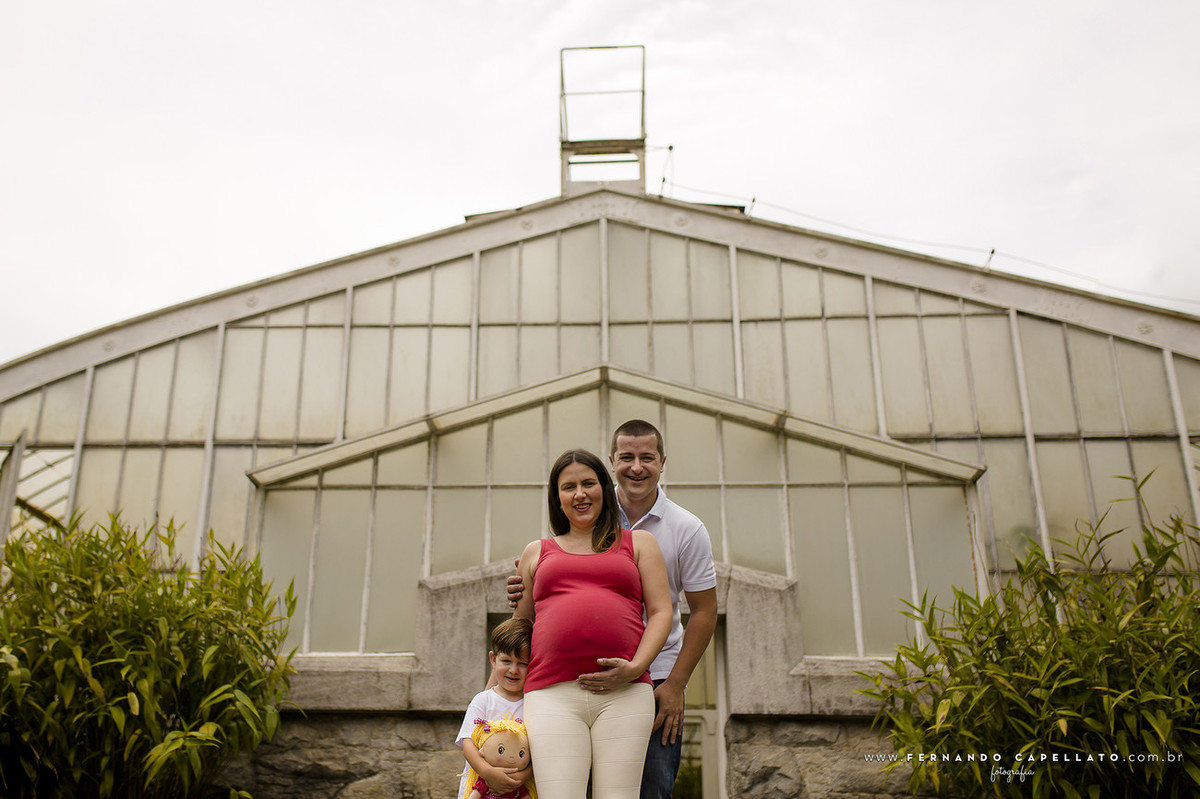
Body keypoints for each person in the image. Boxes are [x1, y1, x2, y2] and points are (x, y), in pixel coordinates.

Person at [509, 421, 717, 799]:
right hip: (556, 683)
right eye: (626, 457)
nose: (636, 467)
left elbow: (701, 611)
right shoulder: (573, 521)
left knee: (651, 787)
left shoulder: (684, 529)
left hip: (654, 677)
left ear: (662, 462)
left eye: (647, 457)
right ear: (612, 463)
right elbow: (526, 617)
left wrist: (673, 684)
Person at [456, 616, 535, 799]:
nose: (513, 670)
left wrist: (523, 776)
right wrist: (488, 772)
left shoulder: (533, 704)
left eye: (523, 664)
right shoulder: (483, 700)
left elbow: (538, 750)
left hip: (519, 789)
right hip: (480, 788)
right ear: (493, 659)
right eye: (506, 661)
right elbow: (467, 743)